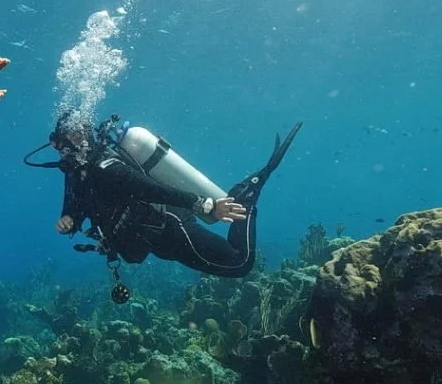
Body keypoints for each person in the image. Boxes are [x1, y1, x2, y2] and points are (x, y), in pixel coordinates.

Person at [25, 113, 302, 282]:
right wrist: (68, 221)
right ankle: (240, 199)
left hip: (171, 226)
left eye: (68, 137)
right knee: (231, 263)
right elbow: (75, 208)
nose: (60, 147)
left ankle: (249, 195)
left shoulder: (105, 166)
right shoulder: (76, 173)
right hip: (156, 240)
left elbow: (151, 189)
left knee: (239, 264)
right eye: (59, 139)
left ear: (81, 136)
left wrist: (205, 204)